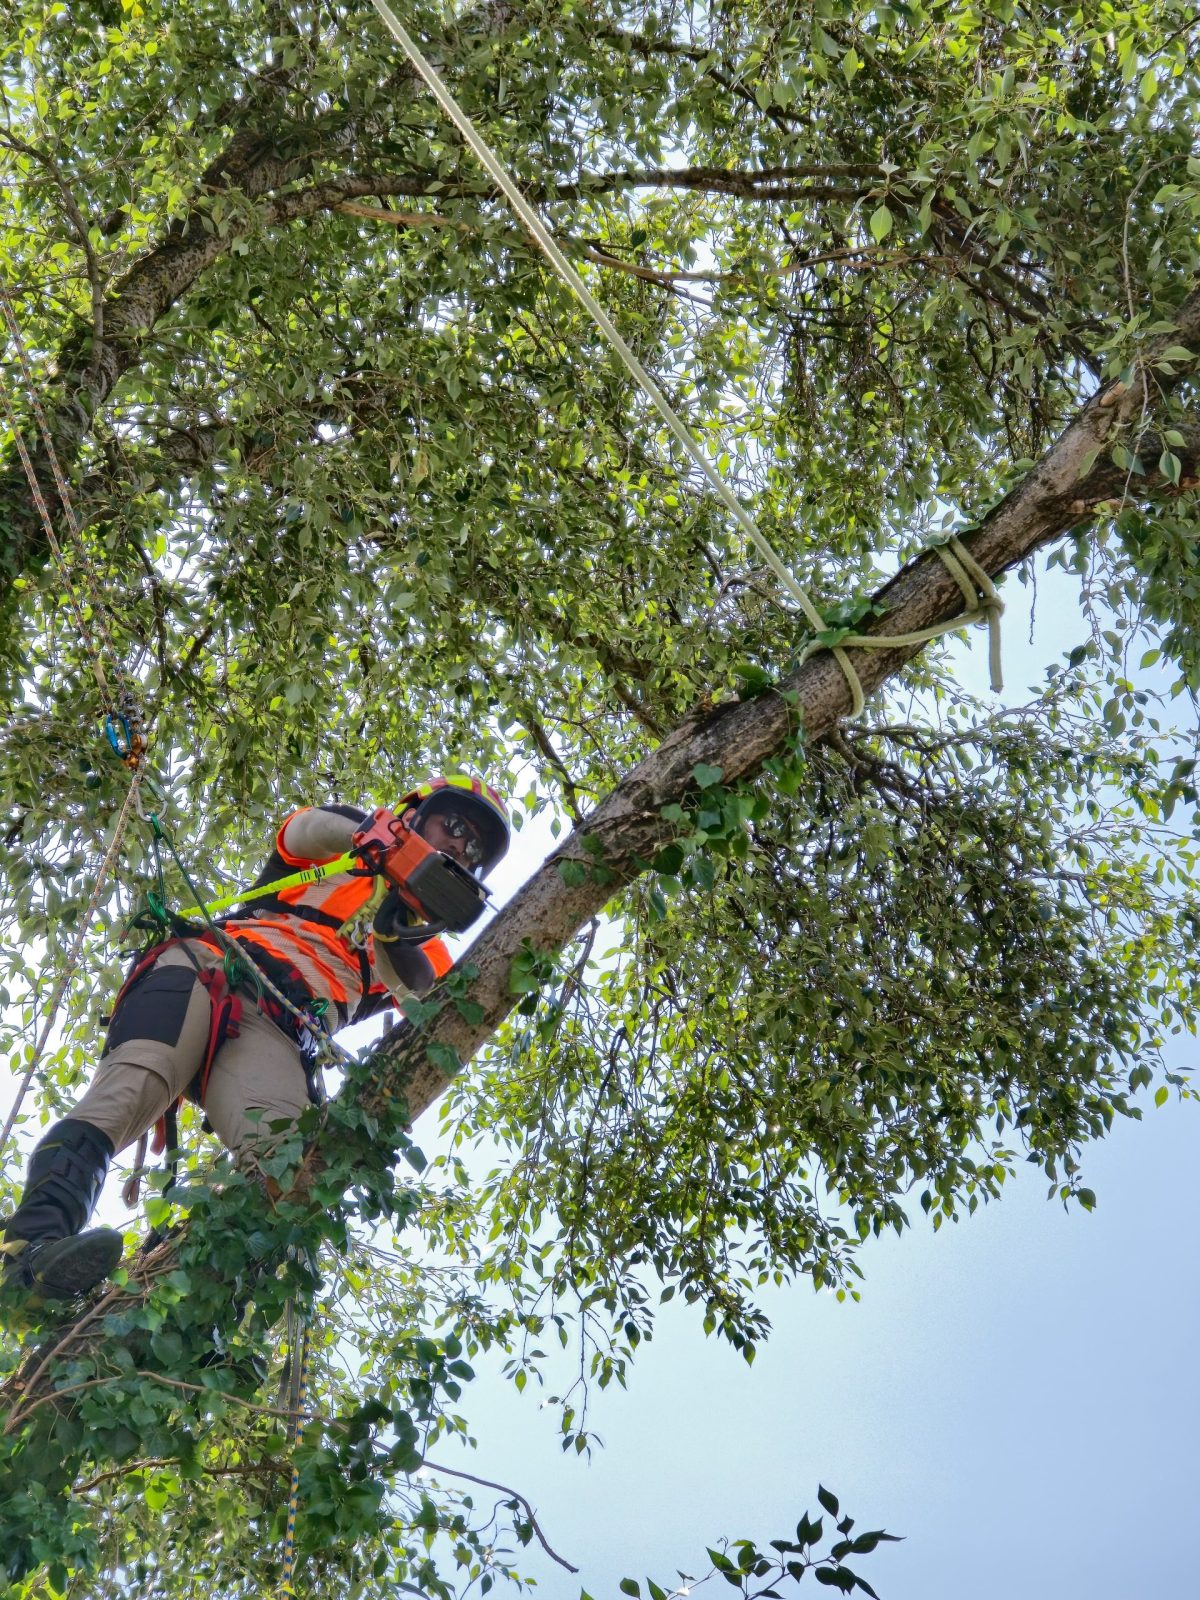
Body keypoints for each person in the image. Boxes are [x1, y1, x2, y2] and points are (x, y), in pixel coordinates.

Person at [0, 774, 509, 1302]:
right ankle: (31, 1256)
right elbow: (304, 830)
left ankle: (180, 1311)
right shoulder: (342, 845)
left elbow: (430, 997)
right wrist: (378, 841)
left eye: (472, 848)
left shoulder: (424, 946)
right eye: (452, 825)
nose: (458, 844)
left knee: (286, 1174)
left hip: (279, 1032)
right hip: (208, 967)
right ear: (415, 814)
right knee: (129, 1092)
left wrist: (393, 925)